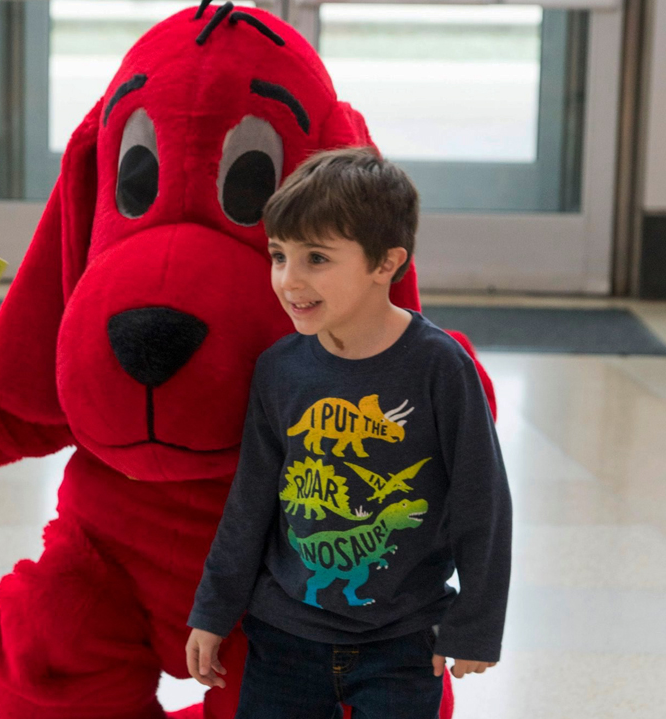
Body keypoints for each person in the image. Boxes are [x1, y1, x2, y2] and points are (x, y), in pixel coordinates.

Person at [184, 147, 512, 719]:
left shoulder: (440, 367)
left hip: (403, 641)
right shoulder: (279, 369)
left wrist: (476, 625)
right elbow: (251, 503)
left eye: (316, 258)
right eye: (279, 255)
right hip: (283, 634)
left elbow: (481, 501)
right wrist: (212, 612)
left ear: (386, 263)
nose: (289, 280)